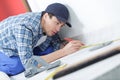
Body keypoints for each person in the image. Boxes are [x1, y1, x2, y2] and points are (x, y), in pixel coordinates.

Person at [0, 3, 84, 77]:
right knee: (17, 65)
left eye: (61, 26)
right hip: (3, 49)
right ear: (46, 16)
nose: (58, 29)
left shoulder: (48, 26)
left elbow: (55, 44)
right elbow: (29, 64)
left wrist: (64, 45)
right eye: (57, 23)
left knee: (49, 49)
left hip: (20, 46)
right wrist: (64, 52)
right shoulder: (25, 27)